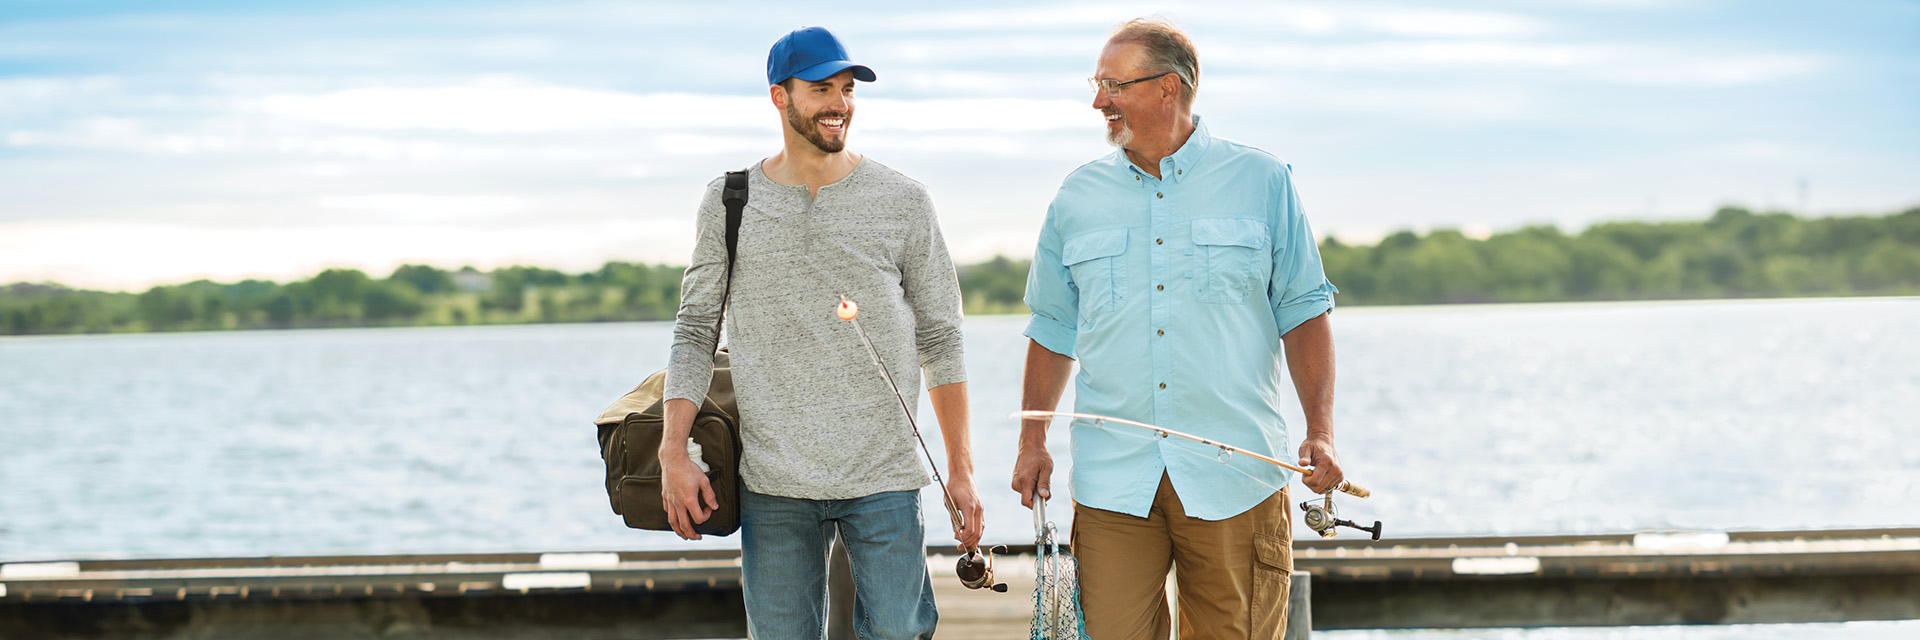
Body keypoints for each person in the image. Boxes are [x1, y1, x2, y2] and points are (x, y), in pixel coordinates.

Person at [1012, 17, 1345, 640]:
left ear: (1169, 87)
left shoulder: (1263, 181)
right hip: (1113, 481)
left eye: (1115, 85)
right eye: (1097, 84)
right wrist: (1033, 441)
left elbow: (1304, 310)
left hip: (1236, 476)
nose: (1099, 101)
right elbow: (1053, 326)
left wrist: (1320, 432)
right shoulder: (1076, 196)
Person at [658, 26, 982, 639]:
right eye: (821, 88)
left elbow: (941, 338)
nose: (840, 103)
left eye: (847, 89)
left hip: (885, 475)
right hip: (773, 479)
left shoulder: (905, 199)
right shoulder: (730, 201)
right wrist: (673, 451)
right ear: (779, 97)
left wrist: (960, 470)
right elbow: (695, 331)